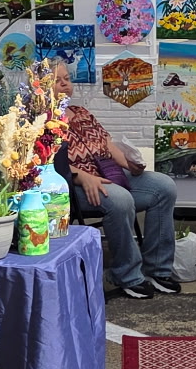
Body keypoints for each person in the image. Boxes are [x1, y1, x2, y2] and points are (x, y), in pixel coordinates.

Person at [57, 78, 180, 300]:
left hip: (109, 174)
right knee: (120, 199)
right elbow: (47, 162)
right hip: (75, 185)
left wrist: (130, 164)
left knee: (163, 186)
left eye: (67, 78)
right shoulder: (39, 121)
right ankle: (126, 275)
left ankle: (157, 270)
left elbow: (108, 146)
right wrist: (82, 176)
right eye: (57, 80)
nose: (65, 84)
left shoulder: (81, 112)